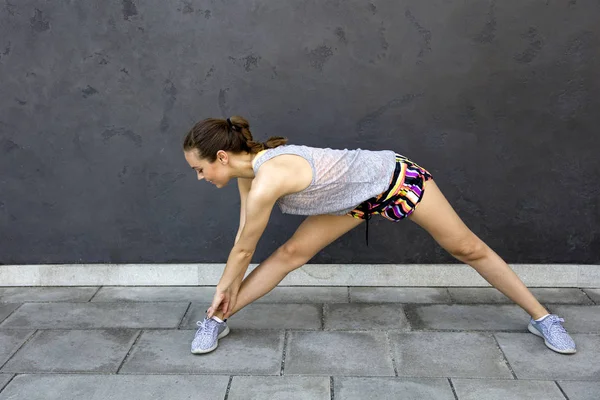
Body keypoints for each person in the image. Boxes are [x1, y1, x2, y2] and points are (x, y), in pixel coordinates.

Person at [183, 115, 577, 356]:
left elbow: (245, 247)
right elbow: (242, 236)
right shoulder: (246, 174)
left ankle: (543, 318)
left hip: (391, 179)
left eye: (199, 170)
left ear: (220, 156)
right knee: (291, 253)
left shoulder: (269, 177)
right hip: (353, 199)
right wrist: (225, 289)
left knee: (466, 247)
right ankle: (217, 319)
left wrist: (224, 282)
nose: (199, 179)